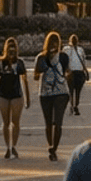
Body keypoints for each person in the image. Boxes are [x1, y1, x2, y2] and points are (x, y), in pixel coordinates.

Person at [34, 32, 74, 161]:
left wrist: (67, 75)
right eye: (51, 42)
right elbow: (36, 75)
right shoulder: (41, 57)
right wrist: (44, 65)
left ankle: (54, 148)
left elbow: (67, 71)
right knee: (48, 123)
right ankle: (50, 145)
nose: (54, 45)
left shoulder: (63, 57)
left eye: (56, 42)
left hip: (61, 93)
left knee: (58, 122)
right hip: (45, 93)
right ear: (47, 43)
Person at [0, 37, 30, 160]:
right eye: (9, 50)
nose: (11, 52)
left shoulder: (19, 63)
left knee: (16, 122)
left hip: (17, 94)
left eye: (14, 50)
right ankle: (7, 147)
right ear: (6, 50)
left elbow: (25, 80)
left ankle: (14, 146)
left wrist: (27, 97)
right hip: (2, 94)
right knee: (6, 122)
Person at [64, 33, 91, 116]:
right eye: (73, 40)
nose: (74, 41)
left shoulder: (80, 50)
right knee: (71, 91)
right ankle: (73, 106)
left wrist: (85, 70)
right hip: (71, 73)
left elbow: (83, 60)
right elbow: (64, 61)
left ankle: (75, 105)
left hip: (79, 72)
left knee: (77, 91)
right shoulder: (66, 49)